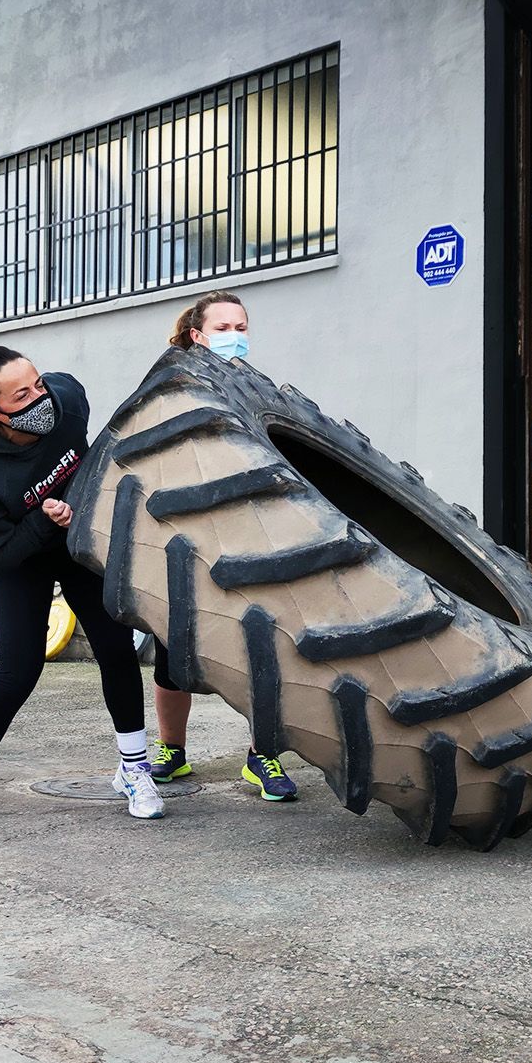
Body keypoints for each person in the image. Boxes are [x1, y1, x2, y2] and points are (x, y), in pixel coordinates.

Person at [0, 345, 163, 823]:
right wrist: (41, 521)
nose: (41, 398)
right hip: (21, 560)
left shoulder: (66, 400)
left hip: (77, 547)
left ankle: (134, 770)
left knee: (117, 651)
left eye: (37, 383)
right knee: (18, 672)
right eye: (23, 395)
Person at [144, 290, 299, 801]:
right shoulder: (173, 386)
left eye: (242, 326)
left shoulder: (254, 389)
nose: (236, 335)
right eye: (224, 327)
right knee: (172, 653)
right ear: (197, 334)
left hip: (251, 537)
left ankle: (263, 757)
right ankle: (172, 751)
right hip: (186, 535)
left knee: (264, 653)